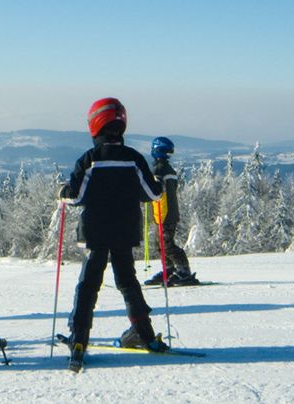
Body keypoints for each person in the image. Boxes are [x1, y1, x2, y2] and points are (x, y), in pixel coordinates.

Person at [58, 98, 169, 369]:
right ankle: (144, 335)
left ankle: (79, 339)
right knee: (128, 282)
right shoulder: (133, 159)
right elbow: (153, 193)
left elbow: (76, 196)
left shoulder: (90, 159)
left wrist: (62, 193)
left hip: (95, 233)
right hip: (125, 232)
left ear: (96, 123)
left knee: (88, 285)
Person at [144, 137, 201, 286]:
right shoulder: (166, 169)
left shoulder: (159, 170)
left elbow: (155, 190)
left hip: (165, 213)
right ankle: (170, 269)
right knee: (160, 243)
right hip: (163, 212)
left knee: (166, 244)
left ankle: (184, 271)